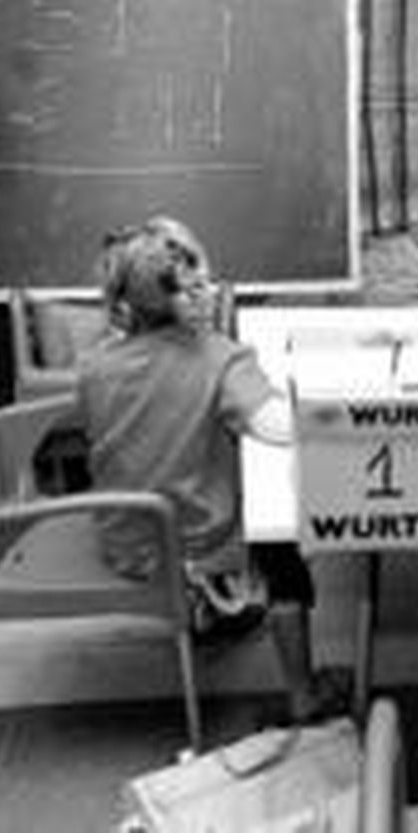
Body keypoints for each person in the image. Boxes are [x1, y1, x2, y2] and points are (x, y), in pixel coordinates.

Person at [78, 217, 341, 723]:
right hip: (195, 544)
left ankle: (216, 607)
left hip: (125, 540)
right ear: (195, 293)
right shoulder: (221, 359)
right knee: (285, 547)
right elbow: (280, 427)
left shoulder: (94, 362)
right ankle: (302, 694)